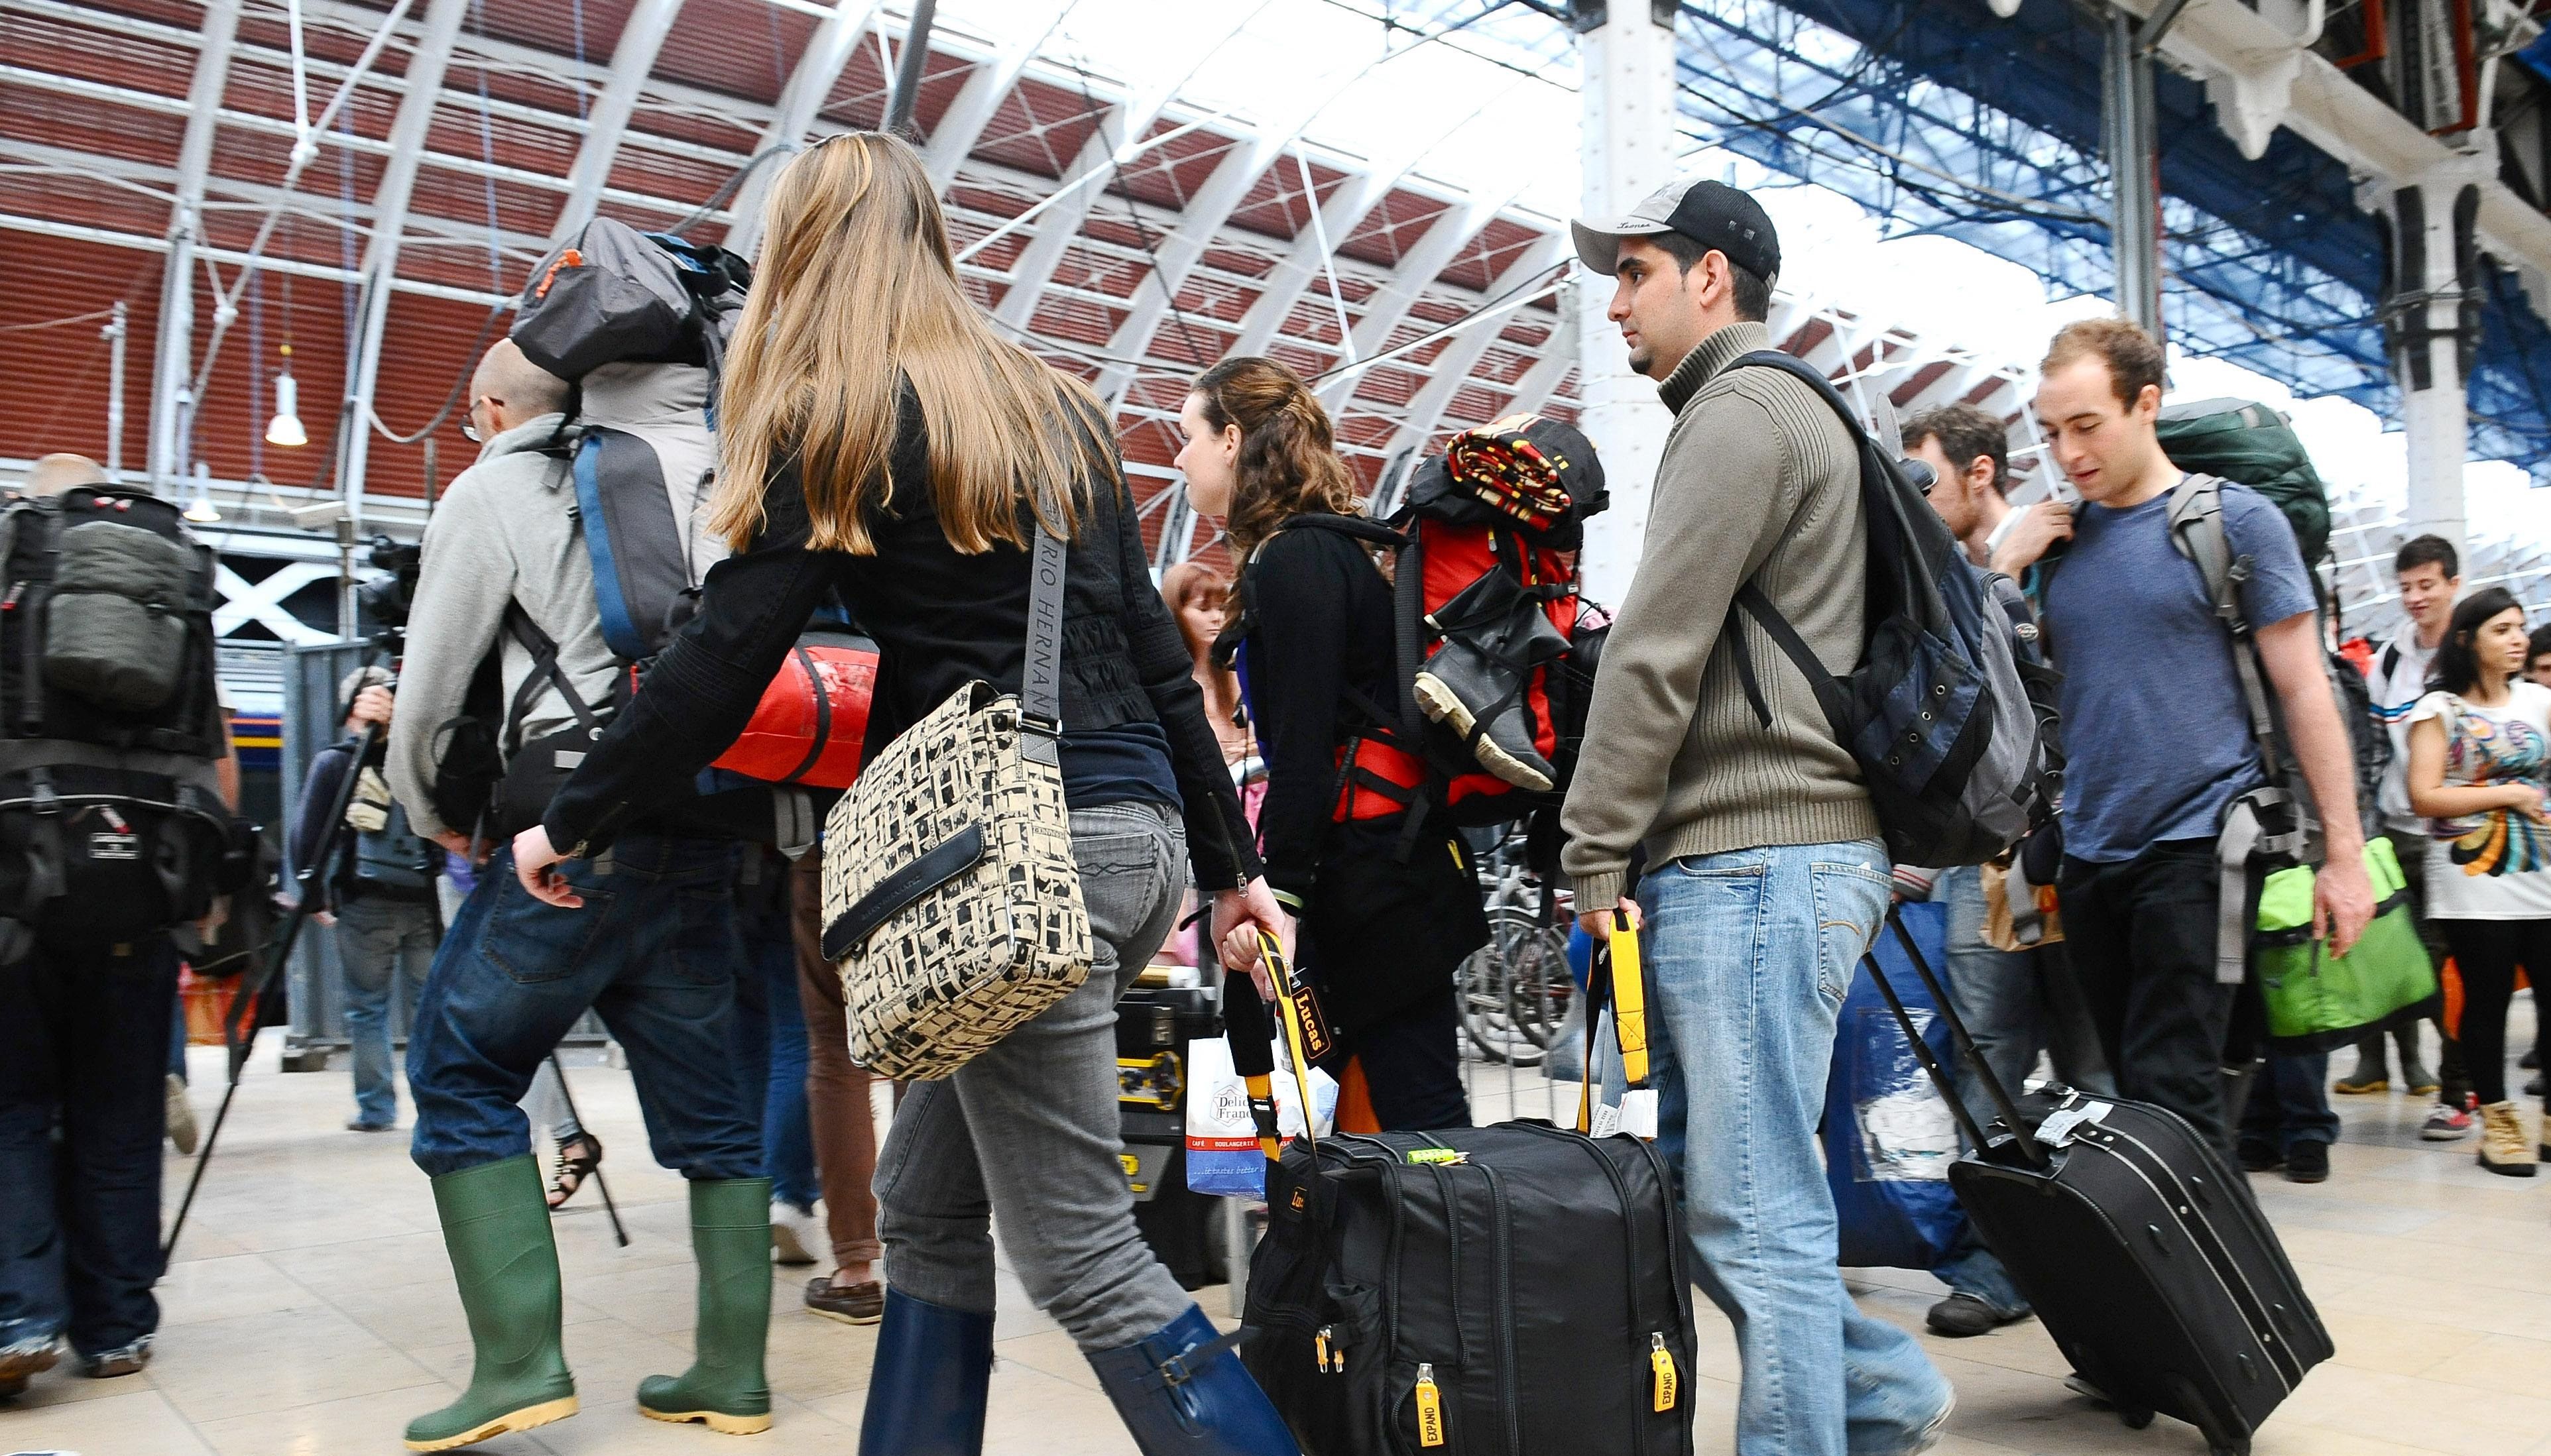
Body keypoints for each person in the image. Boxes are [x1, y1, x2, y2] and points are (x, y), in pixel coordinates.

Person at [504, 132, 1295, 1456]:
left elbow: (717, 662)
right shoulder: (1056, 406)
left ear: (803, 255)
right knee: (929, 1208)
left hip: (1000, 863)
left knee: (1085, 1257)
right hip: (1120, 832)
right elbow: (1156, 654)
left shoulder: (844, 413)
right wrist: (1226, 866)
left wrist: (573, 812)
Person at [1559, 176, 1953, 1456]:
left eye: (1634, 272)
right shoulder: (1783, 412)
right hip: (1770, 857)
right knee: (1717, 1190)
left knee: (1750, 1203)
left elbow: (1654, 653)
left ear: (1708, 276)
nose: (1613, 300)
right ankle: (1881, 1394)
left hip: (1753, 856)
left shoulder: (1738, 414)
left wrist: (1592, 846)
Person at [385, 338, 772, 1450]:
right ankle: (730, 1373)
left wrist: (432, 812)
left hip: (566, 828)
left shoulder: (497, 484)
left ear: (492, 402)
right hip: (703, 822)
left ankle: (517, 1364)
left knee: (458, 1072)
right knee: (713, 1111)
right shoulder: (705, 475)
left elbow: (428, 696)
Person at [2031, 317, 2373, 1165]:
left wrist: (2345, 854)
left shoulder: (2234, 523)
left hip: (2200, 847)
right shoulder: (2059, 547)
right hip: (2090, 852)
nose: (2066, 452)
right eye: (2049, 432)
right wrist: (2004, 567)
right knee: (2135, 1095)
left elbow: (2305, 691)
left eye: (2085, 426)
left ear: (2144, 404)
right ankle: (2188, 1290)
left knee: (2174, 1094)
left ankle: (2217, 1298)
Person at [1185, 355, 1480, 1133]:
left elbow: (1305, 750)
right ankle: (1396, 1252)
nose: (1178, 457)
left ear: (1231, 440)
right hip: (1389, 872)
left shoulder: (1296, 558)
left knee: (1418, 1123)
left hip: (1375, 886)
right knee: (1388, 1117)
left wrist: (1274, 895)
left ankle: (1455, 1253)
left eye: (1190, 435)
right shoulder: (1319, 552)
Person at [1899, 404, 2111, 1338]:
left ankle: (2111, 1252)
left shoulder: (2065, 554)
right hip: (1979, 870)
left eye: (1927, 476)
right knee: (1981, 1061)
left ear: (1981, 473)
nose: (1914, 494)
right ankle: (1996, 1261)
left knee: (2094, 1062)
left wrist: (2005, 573)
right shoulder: (1947, 573)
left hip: (2078, 853)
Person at [2404, 587, 2551, 1175]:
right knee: (2486, 1002)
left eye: (2520, 628)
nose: (2517, 639)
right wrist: (2512, 792)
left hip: (2542, 872)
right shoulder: (2438, 710)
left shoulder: (2539, 699)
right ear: (2468, 640)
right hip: (2472, 879)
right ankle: (2498, 1123)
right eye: (2501, 630)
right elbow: (2426, 794)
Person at [290, 668, 440, 1133]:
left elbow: (306, 836)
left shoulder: (335, 763)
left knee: (368, 1009)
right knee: (429, 1008)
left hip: (363, 900)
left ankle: (376, 1110)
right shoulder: (418, 759)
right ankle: (438, 1109)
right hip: (422, 899)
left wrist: (314, 896)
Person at [2345, 535, 2458, 1106]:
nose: (2415, 597)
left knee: (2444, 958)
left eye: (2427, 585)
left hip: (2456, 840)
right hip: (2395, 831)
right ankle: (2401, 1061)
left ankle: (2453, 1073)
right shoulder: (2391, 658)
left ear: (2453, 586)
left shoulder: (2467, 654)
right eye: (2407, 586)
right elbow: (2371, 747)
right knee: (2393, 949)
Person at [785, 849, 882, 1325]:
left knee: (837, 1049)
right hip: (941, 838)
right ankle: (926, 1257)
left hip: (836, 843)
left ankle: (856, 1270)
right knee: (927, 1041)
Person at [721, 848, 823, 1265]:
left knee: (743, 1039)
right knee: (798, 1038)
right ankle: (787, 1194)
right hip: (792, 859)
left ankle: (751, 1192)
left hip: (717, 868)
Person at [1905, 400, 2070, 577]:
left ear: (1980, 474)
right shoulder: (1955, 577)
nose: (1911, 505)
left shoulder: (2063, 540)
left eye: (1924, 483)